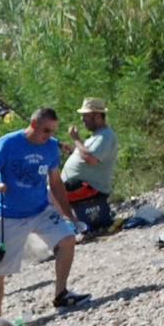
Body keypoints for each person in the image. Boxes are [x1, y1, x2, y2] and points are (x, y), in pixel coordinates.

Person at [0, 106, 86, 314]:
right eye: (46, 130)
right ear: (33, 124)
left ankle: (61, 294)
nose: (49, 136)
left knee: (67, 239)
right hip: (9, 214)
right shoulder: (8, 143)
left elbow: (55, 183)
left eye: (53, 131)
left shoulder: (50, 147)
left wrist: (69, 215)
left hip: (40, 209)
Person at [62, 97, 118, 233]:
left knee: (51, 192)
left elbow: (91, 159)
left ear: (98, 116)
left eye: (86, 116)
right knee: (47, 192)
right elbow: (85, 156)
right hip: (80, 185)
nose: (83, 119)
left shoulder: (106, 136)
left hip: (92, 188)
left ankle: (71, 224)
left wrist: (76, 139)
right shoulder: (95, 137)